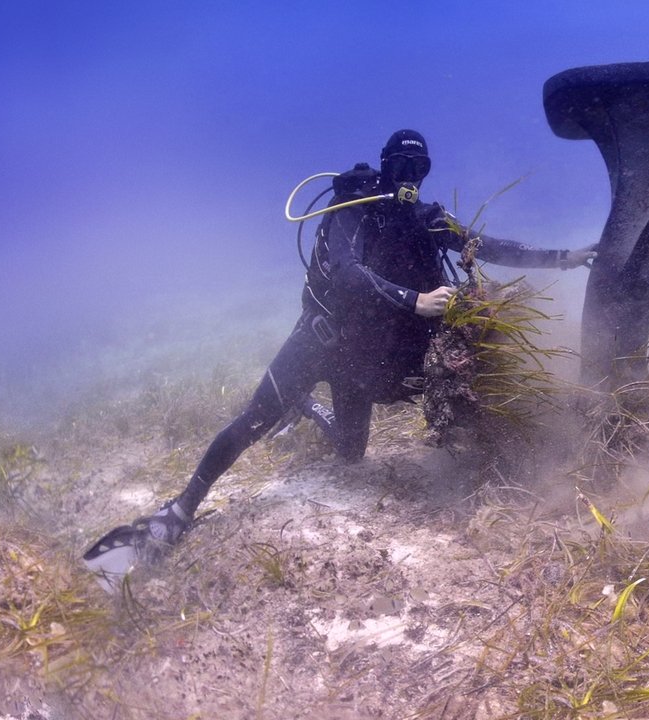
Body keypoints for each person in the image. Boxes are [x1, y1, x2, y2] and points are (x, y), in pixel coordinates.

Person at [83, 130, 596, 575]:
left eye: (418, 167)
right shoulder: (354, 211)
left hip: (359, 362)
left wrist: (565, 258)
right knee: (250, 423)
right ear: (384, 165)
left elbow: (486, 246)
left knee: (351, 454)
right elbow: (349, 273)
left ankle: (307, 407)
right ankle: (179, 511)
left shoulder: (427, 220)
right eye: (400, 165)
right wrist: (413, 300)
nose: (409, 175)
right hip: (318, 343)